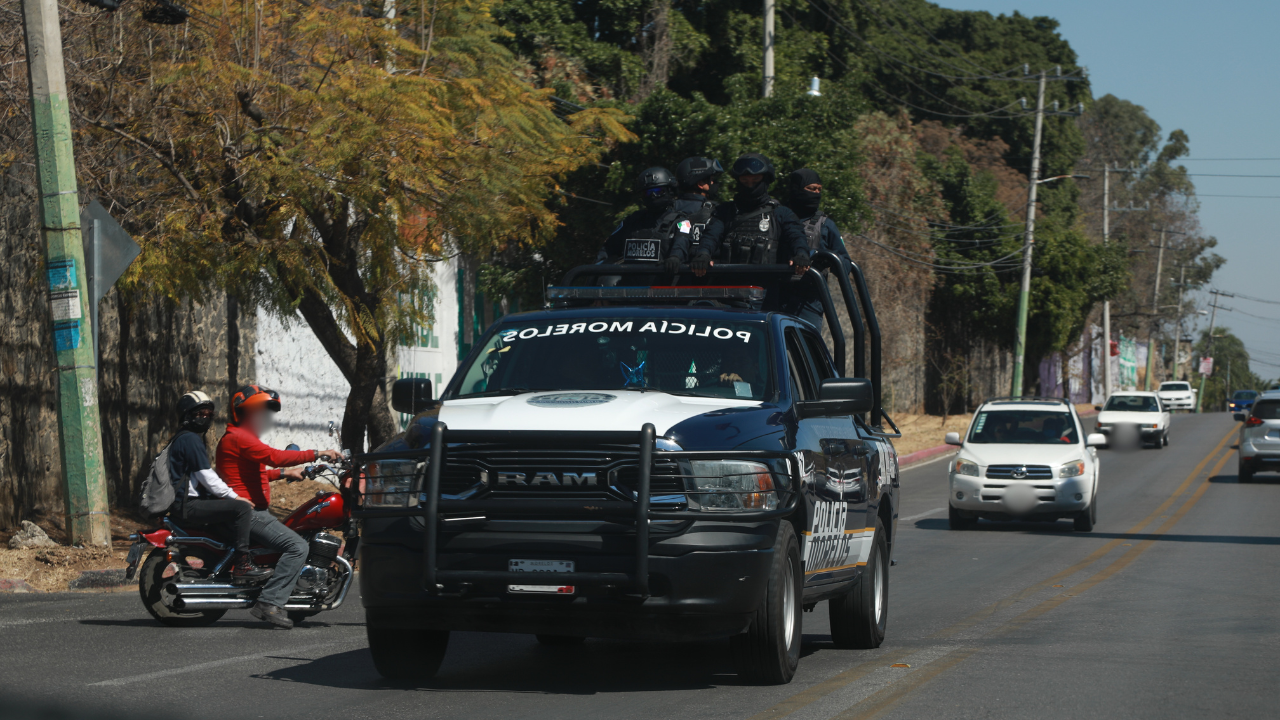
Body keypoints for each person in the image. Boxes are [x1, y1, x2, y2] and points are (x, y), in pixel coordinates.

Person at [215, 384, 341, 629]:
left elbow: (256, 473)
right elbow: (275, 457)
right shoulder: (239, 437)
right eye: (258, 411)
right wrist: (318, 453)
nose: (263, 417)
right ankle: (269, 602)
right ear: (242, 412)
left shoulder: (242, 438)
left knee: (296, 537)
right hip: (248, 513)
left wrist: (284, 473)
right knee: (297, 546)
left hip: (252, 511)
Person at [168, 391, 271, 583]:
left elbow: (203, 477)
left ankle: (226, 560)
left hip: (183, 503)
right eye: (200, 414)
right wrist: (234, 497)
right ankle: (243, 565)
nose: (205, 418)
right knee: (241, 508)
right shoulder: (190, 439)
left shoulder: (182, 438)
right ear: (186, 415)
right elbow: (206, 476)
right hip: (188, 505)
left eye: (209, 414)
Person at [712, 153, 811, 274]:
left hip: (768, 282)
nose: (750, 185)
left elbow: (796, 236)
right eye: (745, 181)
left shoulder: (780, 213)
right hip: (730, 281)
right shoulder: (725, 211)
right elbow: (711, 236)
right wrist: (703, 253)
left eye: (755, 180)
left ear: (766, 179)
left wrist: (801, 254)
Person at [784, 168, 852, 329]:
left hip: (808, 300)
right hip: (775, 294)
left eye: (819, 190)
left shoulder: (825, 225)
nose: (816, 194)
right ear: (797, 189)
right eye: (811, 189)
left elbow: (846, 265)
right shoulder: (778, 217)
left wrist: (825, 258)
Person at [599, 167, 697, 273]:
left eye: (658, 191)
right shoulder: (631, 221)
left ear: (670, 191)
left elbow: (682, 241)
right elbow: (608, 248)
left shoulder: (682, 222)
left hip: (664, 281)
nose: (653, 196)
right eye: (647, 193)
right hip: (631, 282)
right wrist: (599, 267)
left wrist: (675, 257)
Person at [673, 156, 726, 276]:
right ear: (700, 184)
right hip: (707, 279)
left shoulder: (669, 210)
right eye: (711, 179)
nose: (713, 183)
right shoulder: (718, 212)